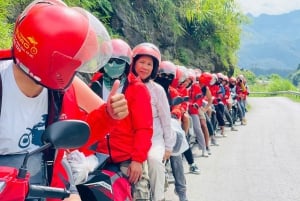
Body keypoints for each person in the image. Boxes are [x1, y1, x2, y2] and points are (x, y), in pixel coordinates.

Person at [0, 1, 128, 201]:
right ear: (55, 62)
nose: (75, 69)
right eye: (73, 62)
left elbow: (74, 135)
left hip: (44, 180)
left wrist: (108, 115)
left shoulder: (60, 92)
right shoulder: (5, 84)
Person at [86, 38, 154, 200]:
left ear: (127, 64)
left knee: (139, 194)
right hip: (96, 156)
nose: (114, 65)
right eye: (110, 61)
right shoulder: (93, 86)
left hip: (127, 158)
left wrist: (137, 160)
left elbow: (144, 128)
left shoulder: (137, 89)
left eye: (119, 61)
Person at [131, 43, 176, 201]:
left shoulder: (157, 90)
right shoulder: (125, 85)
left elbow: (165, 119)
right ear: (133, 63)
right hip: (130, 139)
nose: (145, 67)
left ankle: (159, 197)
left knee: (155, 162)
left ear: (154, 68)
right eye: (142, 62)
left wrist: (168, 146)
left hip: (153, 140)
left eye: (149, 64)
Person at [155, 60, 190, 201]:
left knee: (176, 155)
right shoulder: (148, 87)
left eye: (170, 76)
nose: (166, 78)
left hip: (167, 126)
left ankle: (181, 191)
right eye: (163, 75)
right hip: (149, 127)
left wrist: (174, 113)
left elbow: (178, 105)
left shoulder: (173, 91)